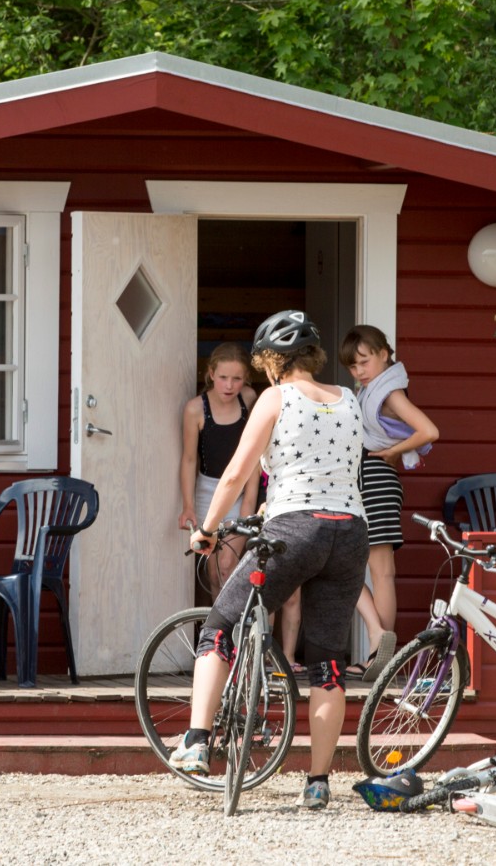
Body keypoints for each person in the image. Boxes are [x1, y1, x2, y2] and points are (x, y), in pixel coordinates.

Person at [169, 310, 369, 810]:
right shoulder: (350, 400)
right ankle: (318, 782)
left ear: (272, 361)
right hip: (349, 533)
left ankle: (196, 742)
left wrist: (207, 531)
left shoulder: (277, 397)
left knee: (220, 625)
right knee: (328, 661)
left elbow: (237, 471)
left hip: (294, 529)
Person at [341, 325, 439, 681]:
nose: (359, 372)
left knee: (379, 572)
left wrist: (391, 452)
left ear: (384, 352)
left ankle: (377, 656)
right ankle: (378, 654)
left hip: (373, 478)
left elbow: (429, 431)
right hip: (374, 480)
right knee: (374, 571)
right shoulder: (377, 390)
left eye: (364, 362)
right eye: (353, 367)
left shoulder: (390, 393)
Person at [177, 342, 260, 592]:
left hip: (241, 489)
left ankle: (236, 627)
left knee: (228, 566)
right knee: (213, 574)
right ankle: (219, 630)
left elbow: (255, 455)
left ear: (246, 379)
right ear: (211, 373)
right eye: (223, 377)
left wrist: (248, 506)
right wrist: (188, 506)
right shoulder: (195, 409)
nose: (229, 385)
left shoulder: (248, 399)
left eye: (237, 378)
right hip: (208, 491)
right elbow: (190, 459)